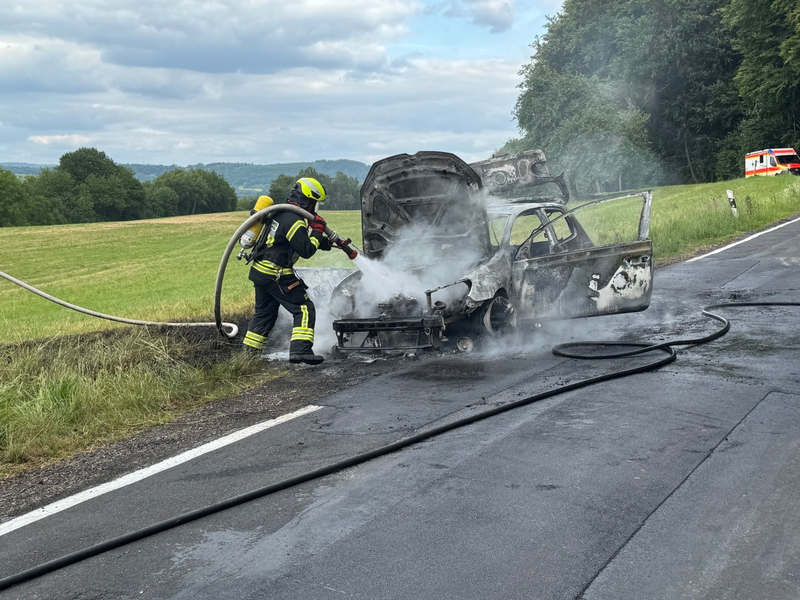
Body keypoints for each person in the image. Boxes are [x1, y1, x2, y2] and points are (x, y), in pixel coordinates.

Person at [242, 177, 332, 364]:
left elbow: (292, 239)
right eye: (315, 203)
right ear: (308, 200)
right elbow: (306, 249)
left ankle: (247, 356)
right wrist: (317, 230)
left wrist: (327, 242)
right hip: (277, 274)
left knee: (264, 314)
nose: (315, 207)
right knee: (304, 308)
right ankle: (301, 350)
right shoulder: (295, 221)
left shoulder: (281, 213)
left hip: (261, 271)